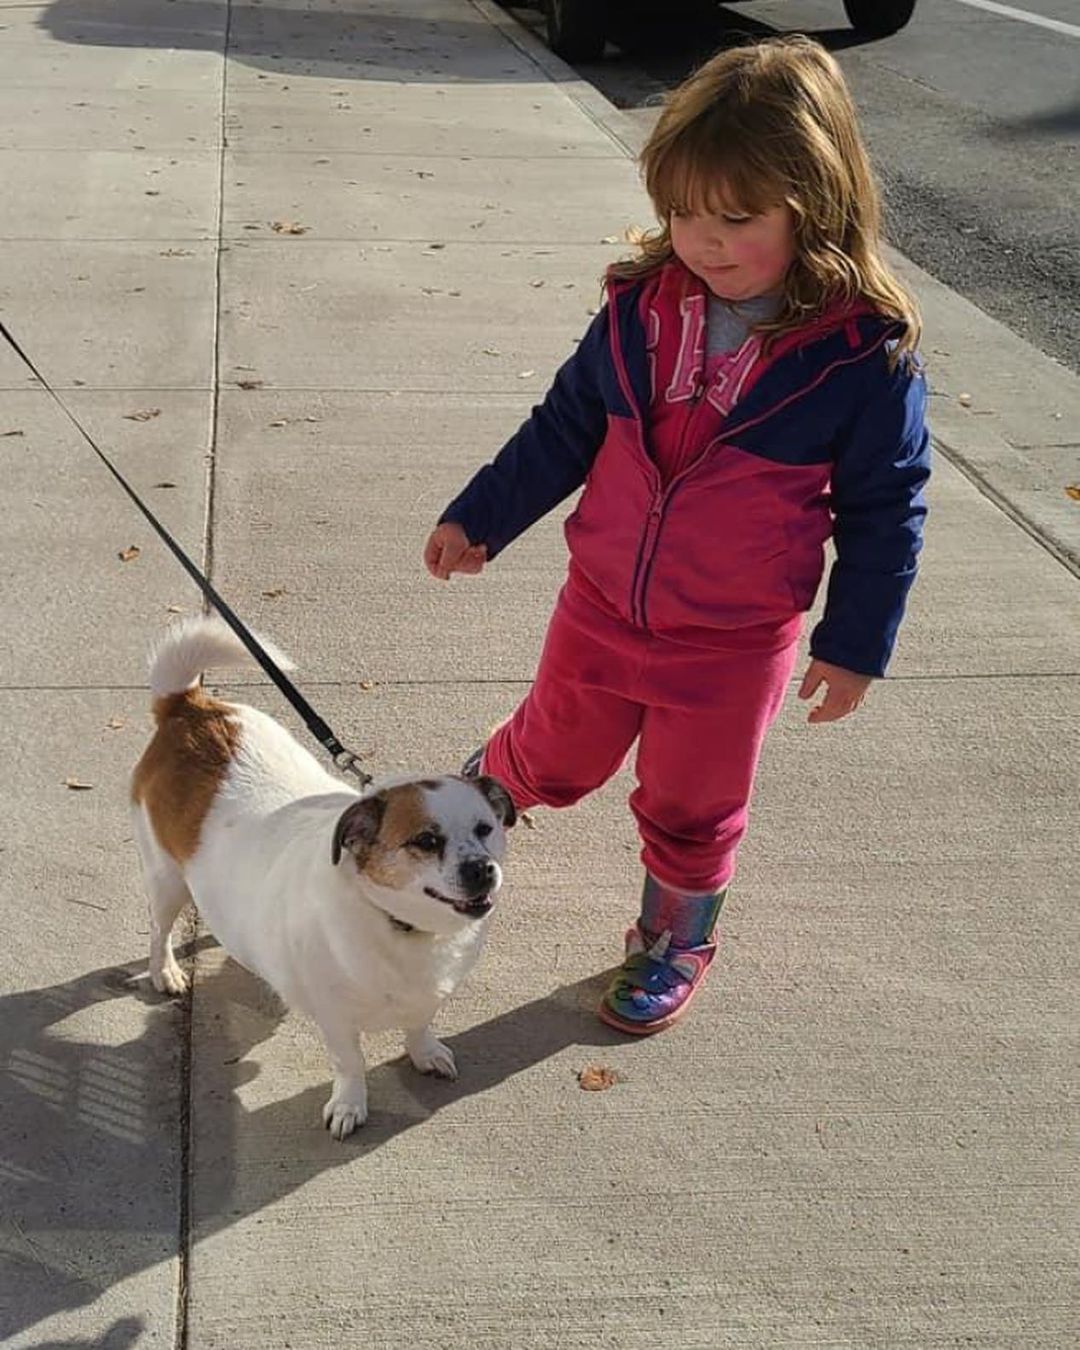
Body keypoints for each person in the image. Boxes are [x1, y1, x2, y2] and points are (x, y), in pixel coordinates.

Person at [422, 36, 930, 1036]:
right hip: (602, 610)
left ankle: (674, 934)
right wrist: (482, 512)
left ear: (814, 202)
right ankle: (495, 776)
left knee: (693, 804)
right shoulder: (638, 313)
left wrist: (854, 644)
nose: (704, 238)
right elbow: (565, 425)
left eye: (736, 218)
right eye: (683, 213)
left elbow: (888, 507)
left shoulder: (863, 357)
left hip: (732, 646)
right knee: (557, 758)